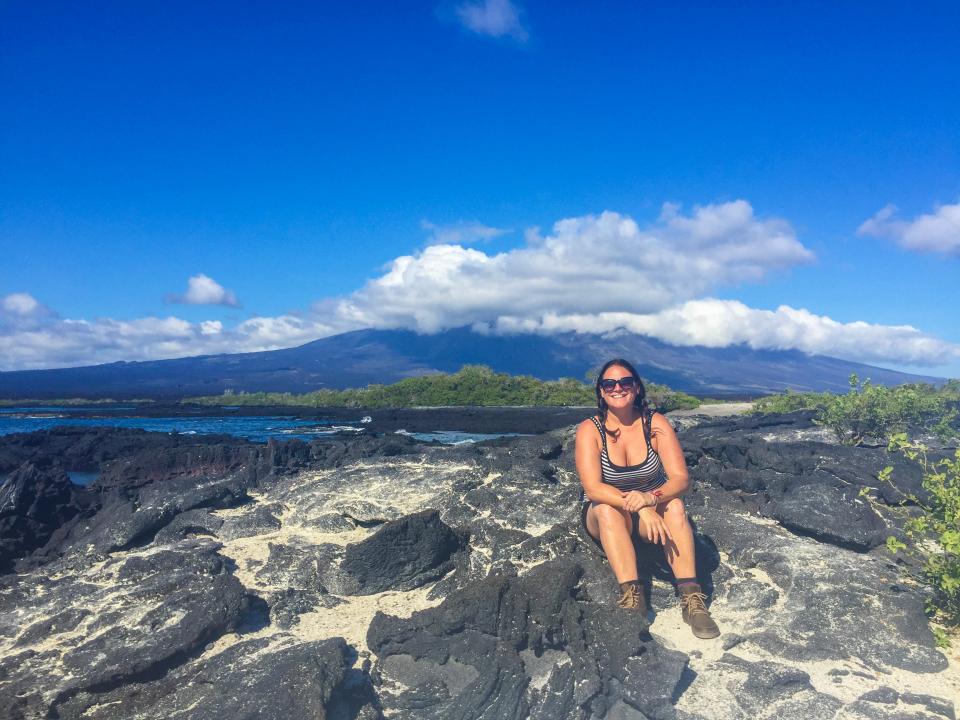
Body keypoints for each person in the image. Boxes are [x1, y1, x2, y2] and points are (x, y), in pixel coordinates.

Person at [575, 358, 720, 639]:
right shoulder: (590, 430)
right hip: (609, 515)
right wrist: (641, 508)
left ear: (637, 388)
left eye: (625, 382)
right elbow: (593, 488)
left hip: (651, 507)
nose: (618, 388)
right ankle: (633, 596)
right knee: (605, 509)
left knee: (676, 506)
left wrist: (650, 499)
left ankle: (692, 598)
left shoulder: (655, 424)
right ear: (601, 391)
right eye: (609, 383)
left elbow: (680, 479)